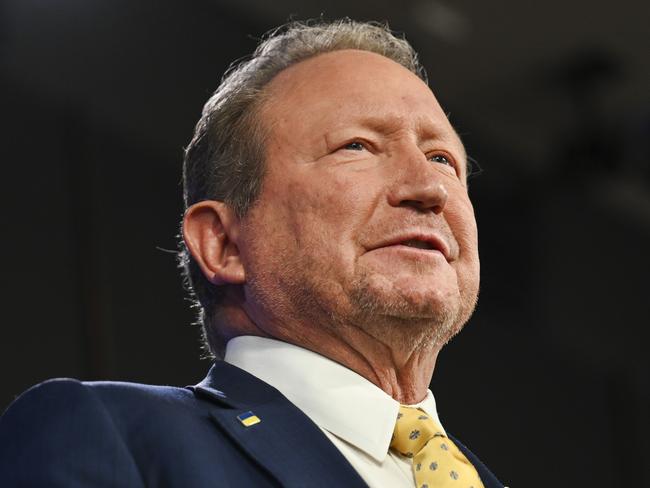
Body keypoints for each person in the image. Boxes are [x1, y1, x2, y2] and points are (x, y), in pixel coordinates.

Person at [0, 19, 504, 487]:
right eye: (358, 146)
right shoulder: (111, 437)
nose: (429, 188)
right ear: (222, 243)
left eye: (442, 159)